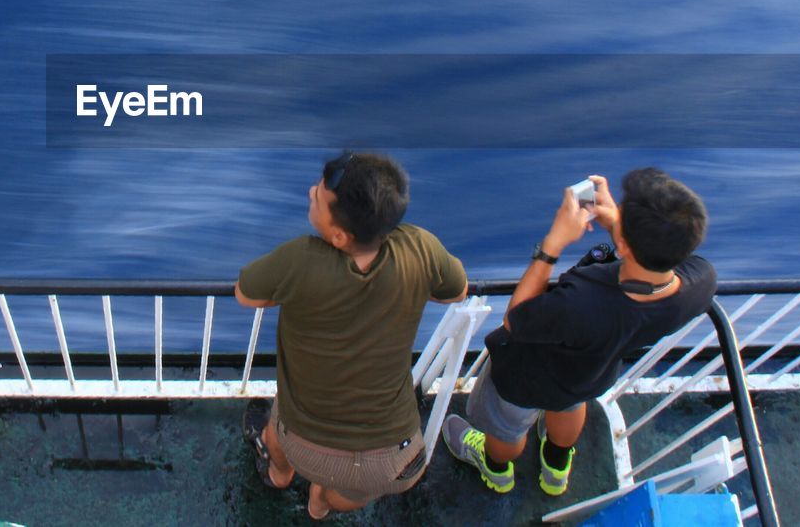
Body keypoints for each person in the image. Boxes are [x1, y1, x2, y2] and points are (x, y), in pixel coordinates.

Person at [442, 168, 716, 496]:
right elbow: (652, 267)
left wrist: (552, 244)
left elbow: (516, 319)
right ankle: (556, 468)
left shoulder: (581, 304)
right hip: (591, 375)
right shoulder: (701, 283)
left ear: (625, 245)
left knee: (505, 431)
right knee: (568, 406)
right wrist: (618, 224)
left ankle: (497, 471)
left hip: (525, 380)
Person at [236, 152, 468, 520]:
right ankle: (320, 504)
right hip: (393, 458)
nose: (312, 192)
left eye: (318, 197)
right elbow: (455, 291)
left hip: (305, 444)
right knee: (354, 490)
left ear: (338, 235)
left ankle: (279, 473)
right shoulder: (421, 248)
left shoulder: (299, 259)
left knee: (281, 422)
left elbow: (246, 293)